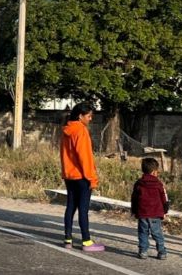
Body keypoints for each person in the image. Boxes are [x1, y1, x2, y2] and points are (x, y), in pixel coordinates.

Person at [60, 102, 105, 252]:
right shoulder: (81, 130)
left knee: (70, 206)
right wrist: (91, 177)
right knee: (83, 209)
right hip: (82, 176)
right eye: (89, 116)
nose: (90, 119)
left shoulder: (66, 130)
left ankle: (68, 238)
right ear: (80, 116)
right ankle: (86, 241)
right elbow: (84, 157)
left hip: (69, 175)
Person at [131, 157, 169, 260]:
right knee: (157, 234)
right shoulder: (159, 184)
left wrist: (134, 211)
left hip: (142, 213)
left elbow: (134, 199)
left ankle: (143, 251)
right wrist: (165, 211)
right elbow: (164, 199)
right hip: (156, 213)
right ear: (154, 172)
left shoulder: (138, 184)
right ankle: (161, 252)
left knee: (143, 233)